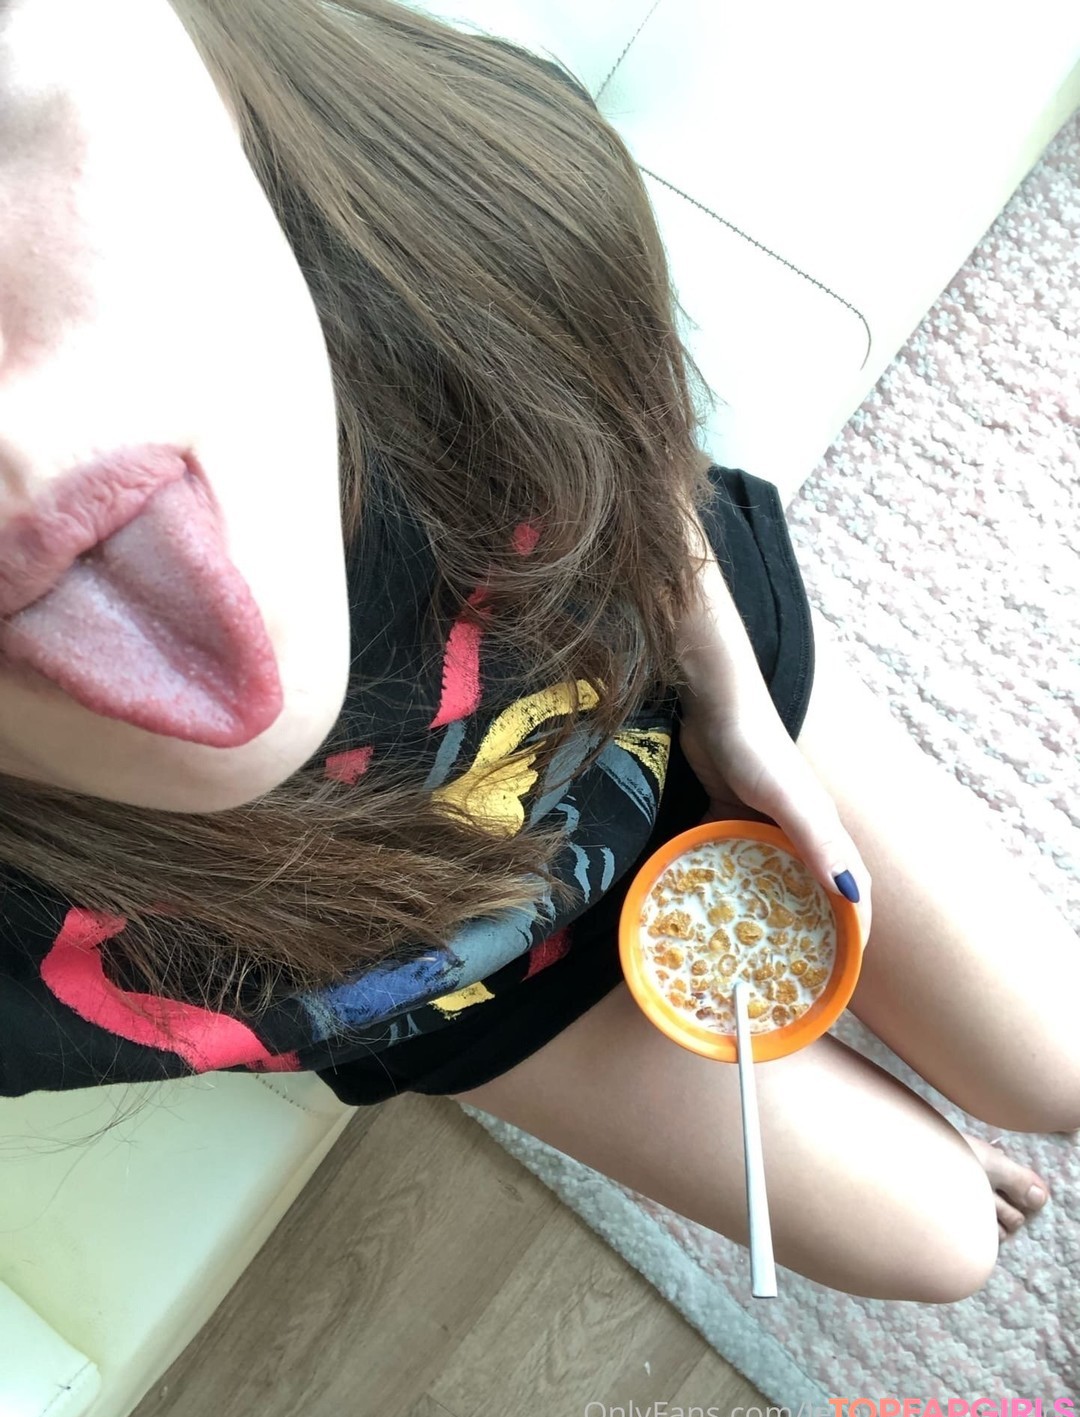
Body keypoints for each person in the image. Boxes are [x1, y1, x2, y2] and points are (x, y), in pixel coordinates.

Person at [0, 0, 1075, 1303]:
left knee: (1057, 1067)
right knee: (944, 1244)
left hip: (653, 676)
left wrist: (733, 704)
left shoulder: (425, 204)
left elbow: (606, 436)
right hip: (468, 973)